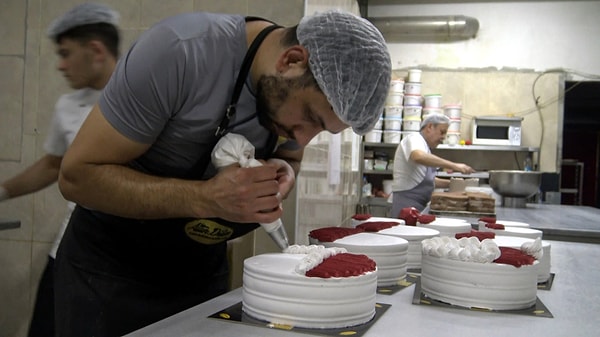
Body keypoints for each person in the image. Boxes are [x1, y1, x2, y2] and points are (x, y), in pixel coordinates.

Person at [55, 9, 392, 336]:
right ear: (291, 60)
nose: (302, 138)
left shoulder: (289, 97)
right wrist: (205, 198)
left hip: (200, 274)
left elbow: (291, 160)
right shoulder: (181, 53)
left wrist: (284, 173)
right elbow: (76, 177)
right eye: (310, 118)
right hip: (109, 275)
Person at [0, 3, 120, 336]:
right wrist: (2, 192)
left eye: (66, 54)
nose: (61, 65)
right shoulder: (68, 106)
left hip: (123, 258)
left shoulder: (142, 96)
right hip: (70, 250)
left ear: (95, 50)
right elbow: (53, 164)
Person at [390, 113, 475, 216]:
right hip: (405, 204)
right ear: (430, 127)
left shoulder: (425, 147)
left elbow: (426, 180)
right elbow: (418, 156)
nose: (443, 137)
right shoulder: (414, 138)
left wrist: (455, 183)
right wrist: (455, 166)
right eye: (442, 132)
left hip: (418, 205)